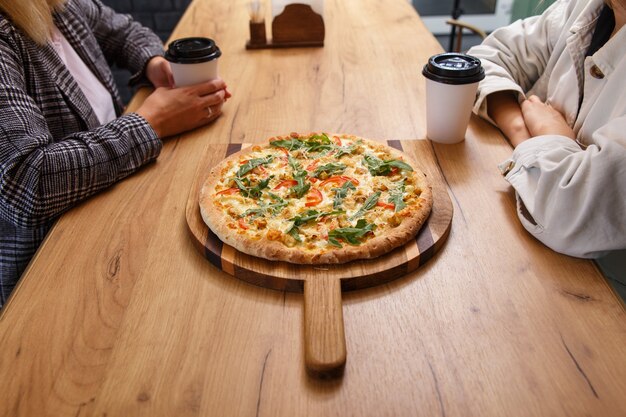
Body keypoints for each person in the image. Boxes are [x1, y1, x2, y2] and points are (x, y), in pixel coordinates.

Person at [0, 0, 230, 307]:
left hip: (119, 194)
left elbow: (124, 32)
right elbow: (27, 181)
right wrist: (149, 122)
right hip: (51, 270)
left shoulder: (57, 5)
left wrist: (155, 62)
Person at [467, 0, 626, 271]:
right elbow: (485, 59)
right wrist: (523, 129)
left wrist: (544, 136)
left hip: (606, 290)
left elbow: (569, 215)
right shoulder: (587, 7)